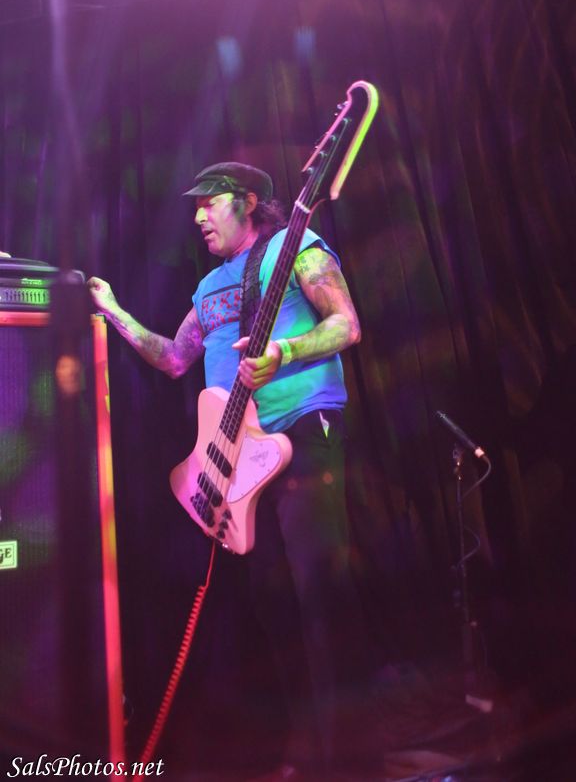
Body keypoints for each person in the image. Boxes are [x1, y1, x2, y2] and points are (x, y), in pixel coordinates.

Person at [88, 162, 375, 781]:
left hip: (300, 427)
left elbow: (346, 324)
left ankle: (350, 756)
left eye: (209, 202)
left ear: (246, 202)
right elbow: (173, 359)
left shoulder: (295, 246)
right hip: (238, 460)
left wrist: (285, 352)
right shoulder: (208, 287)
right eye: (193, 206)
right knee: (272, 605)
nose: (197, 216)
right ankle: (308, 745)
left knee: (318, 593)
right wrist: (111, 310)